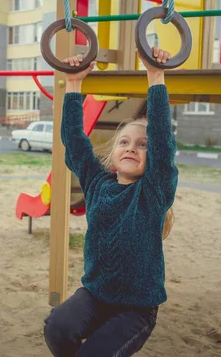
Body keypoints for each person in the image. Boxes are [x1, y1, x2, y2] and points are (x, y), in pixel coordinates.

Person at [43, 46, 178, 357]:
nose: (132, 148)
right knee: (57, 328)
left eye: (143, 145)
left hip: (136, 308)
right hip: (94, 296)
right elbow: (74, 142)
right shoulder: (97, 183)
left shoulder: (153, 192)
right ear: (114, 151)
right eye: (125, 142)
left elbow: (162, 142)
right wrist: (74, 84)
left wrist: (155, 76)